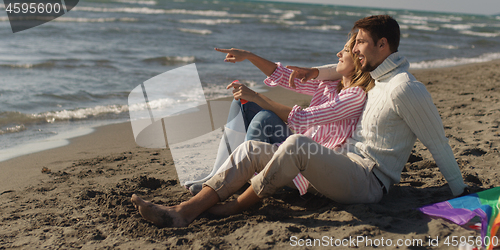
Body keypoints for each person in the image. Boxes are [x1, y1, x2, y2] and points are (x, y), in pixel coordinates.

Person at [131, 15, 467, 228]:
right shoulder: (376, 80)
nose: (354, 50)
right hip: (342, 167)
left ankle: (234, 207)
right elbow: (323, 72)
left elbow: (437, 141)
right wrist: (257, 59)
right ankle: (184, 211)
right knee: (251, 149)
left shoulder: (405, 88)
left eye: (360, 42)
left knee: (293, 141)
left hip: (370, 182)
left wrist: (463, 195)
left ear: (383, 45)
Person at [185, 32, 374, 196]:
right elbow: (283, 75)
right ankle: (217, 174)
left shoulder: (354, 96)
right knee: (243, 102)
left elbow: (302, 119)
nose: (338, 54)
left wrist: (258, 96)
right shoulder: (330, 83)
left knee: (263, 117)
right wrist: (249, 56)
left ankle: (238, 179)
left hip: (311, 157)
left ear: (359, 60)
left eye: (345, 51)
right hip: (299, 140)